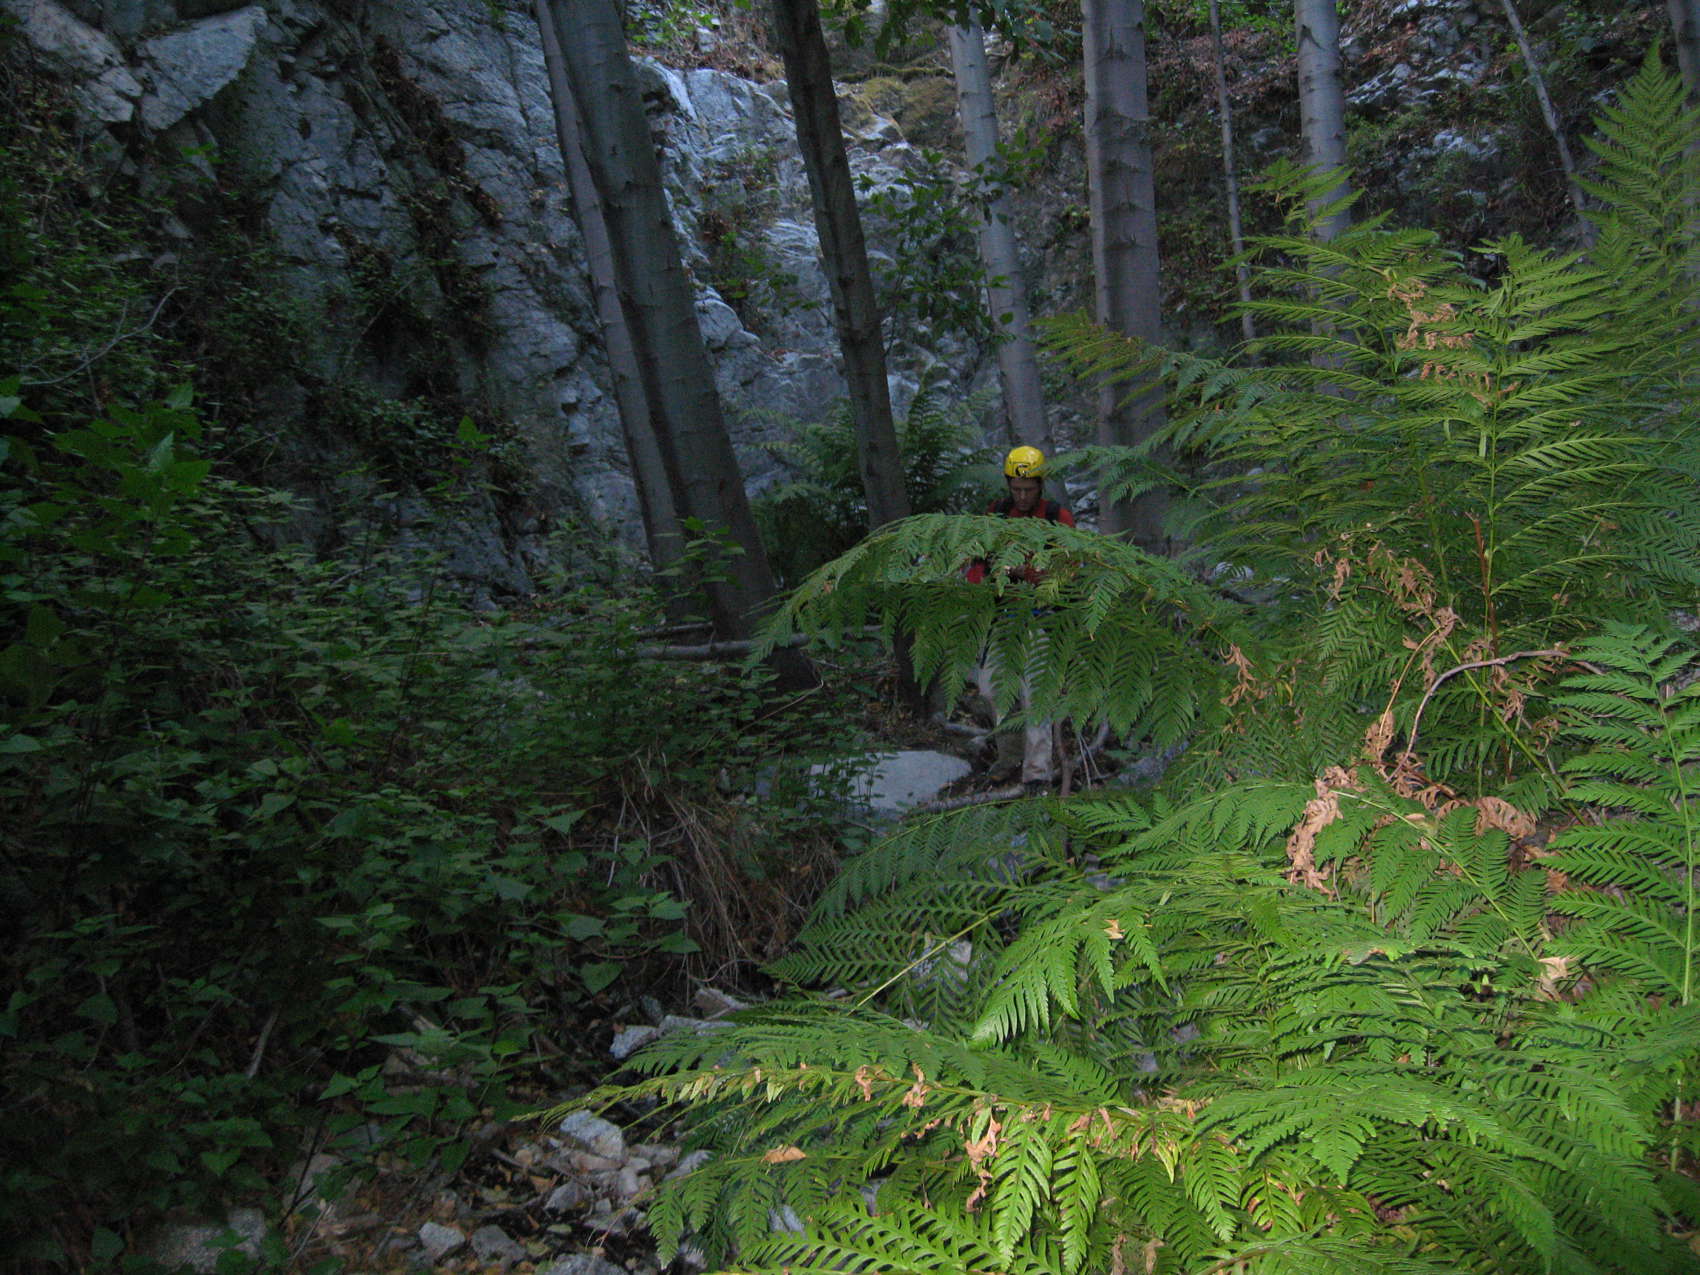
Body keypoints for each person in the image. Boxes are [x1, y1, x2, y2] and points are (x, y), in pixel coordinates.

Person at [969, 445, 1075, 787]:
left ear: (1040, 485)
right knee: (992, 689)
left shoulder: (1057, 517)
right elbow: (979, 559)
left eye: (1029, 489)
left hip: (1042, 620)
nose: (1023, 496)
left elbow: (1068, 570)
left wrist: (1025, 572)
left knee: (1036, 696)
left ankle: (1036, 776)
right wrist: (978, 583)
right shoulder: (997, 513)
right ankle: (1009, 756)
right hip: (1004, 619)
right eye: (1017, 489)